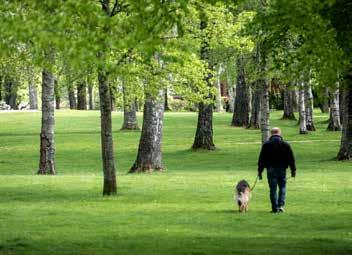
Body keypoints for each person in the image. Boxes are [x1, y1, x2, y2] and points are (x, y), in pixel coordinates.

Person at [257, 127, 296, 213]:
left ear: (271, 134)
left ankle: (274, 207)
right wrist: (293, 170)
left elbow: (262, 159)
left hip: (270, 169)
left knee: (273, 189)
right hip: (282, 169)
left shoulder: (266, 145)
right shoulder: (285, 144)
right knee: (282, 187)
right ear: (279, 133)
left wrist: (260, 171)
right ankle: (281, 206)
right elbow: (291, 158)